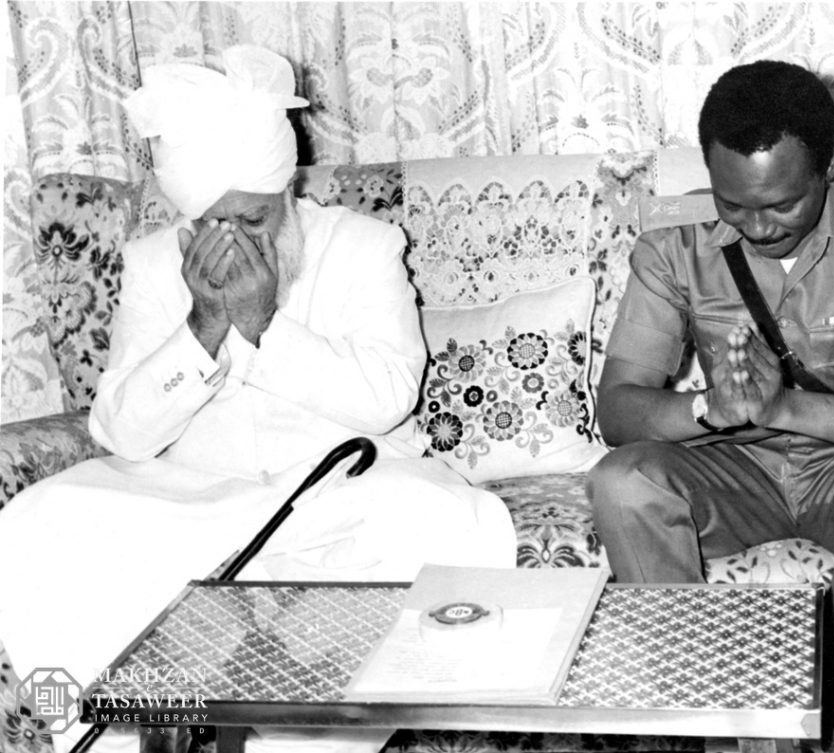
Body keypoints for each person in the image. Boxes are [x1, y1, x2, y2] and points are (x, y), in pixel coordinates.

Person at [0, 45, 514, 753]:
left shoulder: (364, 246)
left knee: (451, 522)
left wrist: (262, 324)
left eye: (252, 222)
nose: (232, 245)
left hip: (335, 495)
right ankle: (119, 730)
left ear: (286, 197)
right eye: (212, 226)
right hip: (192, 499)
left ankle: (298, 744)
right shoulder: (153, 265)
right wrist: (205, 328)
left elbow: (387, 396)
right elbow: (120, 431)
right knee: (34, 521)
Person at [587, 59, 834, 745]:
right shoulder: (671, 241)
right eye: (733, 205)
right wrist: (715, 409)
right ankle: (706, 729)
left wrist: (784, 407)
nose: (758, 228)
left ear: (829, 167)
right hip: (732, 469)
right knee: (623, 482)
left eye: (782, 204)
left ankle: (810, 734)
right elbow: (617, 409)